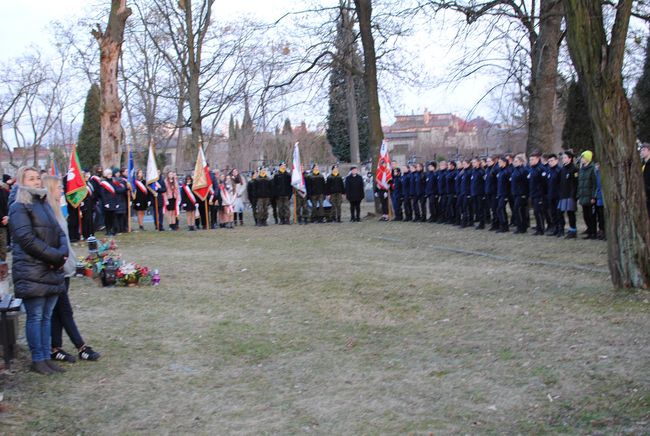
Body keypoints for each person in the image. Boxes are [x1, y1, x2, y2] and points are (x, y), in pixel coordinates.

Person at [10, 167, 68, 375]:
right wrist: (54, 256)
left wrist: (62, 253)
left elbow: (59, 232)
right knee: (35, 316)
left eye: (37, 178)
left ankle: (46, 357)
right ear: (21, 182)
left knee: (46, 317)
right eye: (31, 179)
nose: (36, 182)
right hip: (32, 271)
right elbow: (27, 240)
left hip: (51, 270)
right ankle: (37, 359)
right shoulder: (19, 207)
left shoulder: (43, 204)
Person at [43, 175, 101, 364]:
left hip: (65, 268)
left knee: (59, 311)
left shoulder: (57, 212)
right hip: (56, 269)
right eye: (59, 187)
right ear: (50, 189)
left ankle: (55, 347)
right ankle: (81, 347)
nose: (62, 190)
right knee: (64, 310)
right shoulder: (47, 214)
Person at [558, 151, 579, 239]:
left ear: (570, 158)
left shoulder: (574, 169)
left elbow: (575, 183)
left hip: (570, 195)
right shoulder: (562, 169)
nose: (563, 159)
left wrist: (573, 195)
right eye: (562, 158)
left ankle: (573, 231)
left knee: (571, 213)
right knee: (560, 212)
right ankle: (561, 229)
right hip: (563, 194)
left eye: (565, 158)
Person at [577, 150, 598, 239]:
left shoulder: (592, 169)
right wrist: (578, 194)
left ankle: (593, 232)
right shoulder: (581, 169)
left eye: (583, 158)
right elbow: (580, 183)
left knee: (591, 215)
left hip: (590, 196)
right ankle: (589, 230)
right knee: (585, 215)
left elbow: (594, 184)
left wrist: (593, 196)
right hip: (583, 196)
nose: (581, 159)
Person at [98, 168, 123, 236]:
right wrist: (106, 203)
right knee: (107, 217)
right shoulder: (103, 183)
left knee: (113, 216)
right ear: (105, 175)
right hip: (107, 202)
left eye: (110, 174)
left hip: (113, 201)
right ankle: (108, 230)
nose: (110, 175)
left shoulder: (113, 182)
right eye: (108, 174)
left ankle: (113, 230)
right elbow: (102, 194)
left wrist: (117, 202)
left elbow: (115, 192)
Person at [528, 150, 548, 235]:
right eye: (530, 160)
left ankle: (541, 229)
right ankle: (538, 227)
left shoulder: (541, 169)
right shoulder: (532, 169)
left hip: (539, 195)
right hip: (533, 194)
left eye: (532, 159)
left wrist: (541, 195)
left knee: (539, 212)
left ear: (537, 159)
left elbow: (544, 183)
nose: (530, 161)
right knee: (535, 212)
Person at [511, 154, 529, 234]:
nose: (514, 163)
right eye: (514, 161)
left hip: (521, 194)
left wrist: (524, 193)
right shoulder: (515, 170)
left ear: (521, 162)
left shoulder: (523, 170)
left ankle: (522, 227)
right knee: (519, 210)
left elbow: (526, 183)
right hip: (515, 193)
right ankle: (521, 227)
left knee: (518, 209)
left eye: (516, 161)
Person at [545, 154, 562, 236]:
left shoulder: (559, 170)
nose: (550, 163)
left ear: (556, 161)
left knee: (559, 214)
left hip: (558, 196)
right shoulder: (549, 170)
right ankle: (555, 228)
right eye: (549, 161)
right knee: (553, 213)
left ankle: (560, 230)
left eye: (552, 161)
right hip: (550, 195)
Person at [495, 156, 511, 233]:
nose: (498, 164)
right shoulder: (500, 171)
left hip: (504, 194)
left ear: (504, 163)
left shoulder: (506, 172)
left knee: (500, 209)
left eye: (500, 162)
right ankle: (503, 226)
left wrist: (506, 195)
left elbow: (508, 185)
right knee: (500, 210)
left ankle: (504, 226)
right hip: (500, 193)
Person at [470, 158, 486, 229]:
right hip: (474, 193)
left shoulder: (481, 171)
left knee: (480, 209)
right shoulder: (473, 171)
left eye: (474, 162)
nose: (473, 164)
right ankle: (479, 221)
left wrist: (483, 193)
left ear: (479, 163)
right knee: (476, 208)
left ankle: (482, 223)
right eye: (472, 163)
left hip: (480, 193)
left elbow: (484, 182)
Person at [594, 163, 605, 240]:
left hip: (603, 197)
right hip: (598, 197)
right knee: (600, 215)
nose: (597, 166)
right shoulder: (596, 172)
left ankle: (604, 231)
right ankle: (601, 230)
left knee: (603, 215)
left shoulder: (604, 173)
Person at [641, 143, 650, 218]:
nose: (642, 152)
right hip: (644, 195)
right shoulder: (643, 165)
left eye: (644, 150)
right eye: (641, 150)